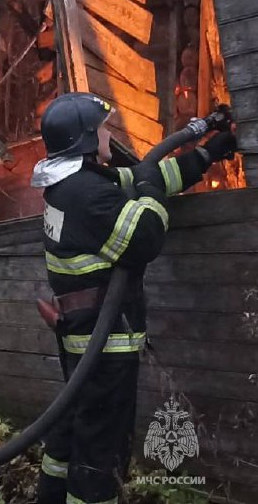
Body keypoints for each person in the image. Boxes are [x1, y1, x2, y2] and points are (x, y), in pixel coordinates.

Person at [30, 93, 237, 504]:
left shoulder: (73, 183)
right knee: (100, 449)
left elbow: (150, 177)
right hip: (105, 346)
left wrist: (208, 153)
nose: (108, 134)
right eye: (102, 129)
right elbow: (144, 236)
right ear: (85, 139)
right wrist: (145, 186)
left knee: (72, 427)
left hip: (82, 338)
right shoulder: (88, 195)